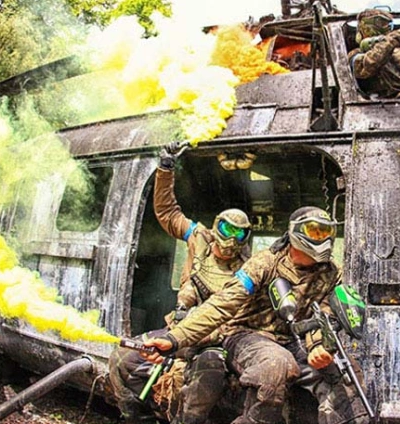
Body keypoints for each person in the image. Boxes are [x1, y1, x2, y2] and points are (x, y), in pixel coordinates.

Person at [143, 206, 368, 424]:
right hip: (246, 336)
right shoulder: (265, 263)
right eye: (315, 231)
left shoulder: (331, 272)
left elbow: (323, 316)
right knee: (276, 365)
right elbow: (222, 305)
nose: (323, 239)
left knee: (345, 371)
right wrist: (174, 338)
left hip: (293, 340)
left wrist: (319, 346)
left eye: (327, 232)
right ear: (295, 233)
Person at [109, 143, 253, 424]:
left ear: (245, 239)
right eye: (226, 229)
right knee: (122, 359)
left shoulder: (248, 272)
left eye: (239, 234)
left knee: (197, 392)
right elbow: (166, 211)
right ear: (216, 226)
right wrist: (165, 167)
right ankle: (138, 418)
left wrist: (197, 335)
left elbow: (235, 319)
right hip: (175, 331)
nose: (230, 239)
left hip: (211, 342)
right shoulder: (197, 238)